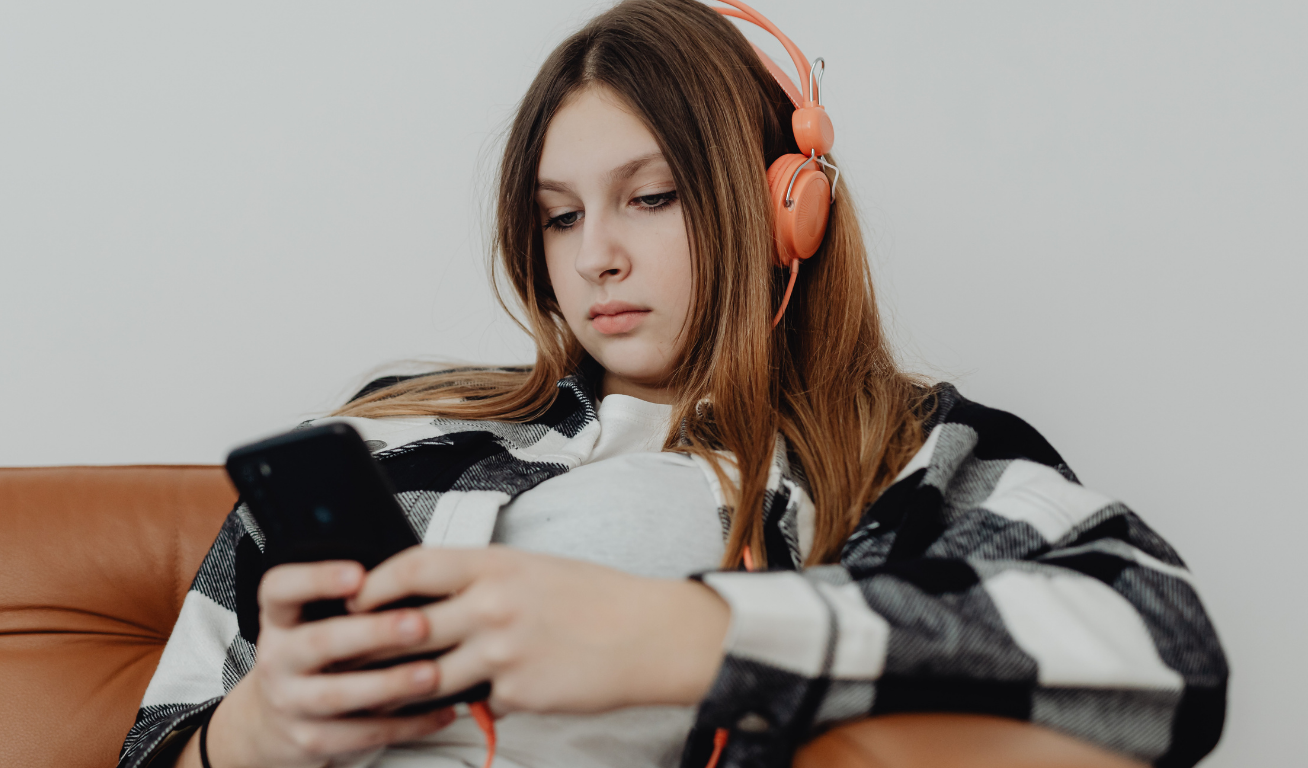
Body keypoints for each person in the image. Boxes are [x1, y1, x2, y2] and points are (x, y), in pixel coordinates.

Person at [118, 1, 1228, 767]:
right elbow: (159, 742)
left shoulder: (907, 455)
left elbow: (1166, 649)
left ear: (786, 207)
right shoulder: (387, 435)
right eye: (559, 216)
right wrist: (263, 730)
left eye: (650, 198)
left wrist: (683, 634)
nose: (593, 254)